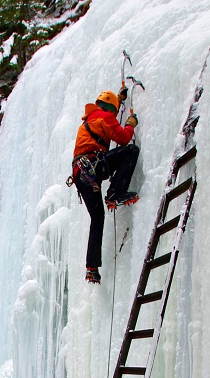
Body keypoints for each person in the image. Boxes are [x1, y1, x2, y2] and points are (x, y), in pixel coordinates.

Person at [71, 87, 140, 285]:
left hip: (80, 174)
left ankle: (92, 267)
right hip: (93, 166)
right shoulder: (105, 117)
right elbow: (123, 138)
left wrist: (119, 99)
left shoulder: (92, 118)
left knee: (97, 217)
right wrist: (130, 124)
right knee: (130, 150)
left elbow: (108, 121)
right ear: (111, 109)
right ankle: (115, 193)